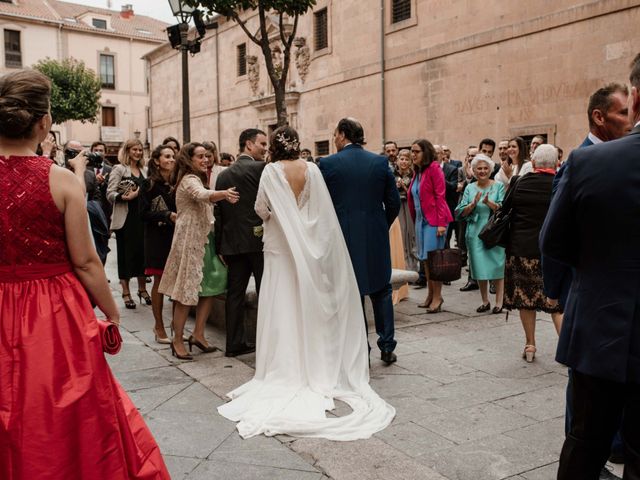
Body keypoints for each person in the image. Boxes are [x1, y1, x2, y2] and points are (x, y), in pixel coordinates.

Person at [0, 68, 169, 480]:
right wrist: (111, 314)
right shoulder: (59, 180)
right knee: (70, 410)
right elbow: (87, 262)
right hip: (53, 313)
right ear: (43, 123)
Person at [217, 126, 395, 440]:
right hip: (306, 244)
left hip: (280, 248)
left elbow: (261, 208)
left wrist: (276, 216)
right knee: (305, 301)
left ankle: (286, 366)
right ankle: (316, 363)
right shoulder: (312, 168)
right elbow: (317, 208)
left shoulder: (271, 171)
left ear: (273, 145)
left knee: (282, 305)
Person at [540, 53, 640, 480]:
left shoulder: (590, 163)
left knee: (585, 443)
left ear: (636, 98)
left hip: (602, 328)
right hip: (604, 330)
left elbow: (553, 242)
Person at [320, 118, 400, 365]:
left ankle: (360, 348)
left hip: (342, 235)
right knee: (381, 289)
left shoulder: (327, 163)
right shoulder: (379, 162)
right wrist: (380, 224)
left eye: (335, 134)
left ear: (343, 134)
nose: (334, 139)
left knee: (350, 293)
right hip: (375, 232)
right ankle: (387, 346)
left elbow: (322, 204)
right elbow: (394, 202)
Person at [159, 143, 239, 360]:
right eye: (201, 156)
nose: (206, 159)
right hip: (191, 243)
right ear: (189, 159)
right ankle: (177, 341)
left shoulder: (197, 177)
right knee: (186, 292)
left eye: (208, 156)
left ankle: (198, 334)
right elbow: (202, 194)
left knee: (213, 284)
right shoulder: (189, 180)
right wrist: (223, 193)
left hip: (206, 239)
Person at [501, 145, 562, 362]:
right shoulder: (561, 184)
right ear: (556, 164)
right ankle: (565, 349)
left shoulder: (519, 183)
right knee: (557, 302)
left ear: (533, 164)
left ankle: (530, 345)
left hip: (521, 250)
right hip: (554, 252)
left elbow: (504, 209)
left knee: (526, 299)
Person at [215, 129, 267, 357]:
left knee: (235, 295)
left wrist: (220, 246)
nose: (265, 149)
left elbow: (219, 215)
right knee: (267, 291)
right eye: (262, 144)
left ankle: (233, 344)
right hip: (259, 243)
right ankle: (268, 341)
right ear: (248, 144)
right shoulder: (260, 169)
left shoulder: (222, 175)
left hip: (233, 243)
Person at [455, 154, 505, 313]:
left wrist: (488, 203)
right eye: (479, 169)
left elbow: (503, 209)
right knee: (478, 267)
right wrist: (472, 204)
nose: (482, 171)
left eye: (485, 168)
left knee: (497, 266)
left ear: (490, 169)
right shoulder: (469, 187)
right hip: (475, 230)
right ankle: (485, 301)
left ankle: (499, 302)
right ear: (474, 171)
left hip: (494, 231)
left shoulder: (498, 186)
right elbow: (460, 211)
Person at [407, 139, 453, 313]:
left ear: (425, 153)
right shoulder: (418, 171)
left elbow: (440, 196)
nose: (413, 155)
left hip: (435, 221)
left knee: (434, 261)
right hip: (421, 220)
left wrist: (442, 224)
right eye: (412, 151)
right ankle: (430, 294)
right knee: (425, 260)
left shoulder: (434, 168)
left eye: (416, 151)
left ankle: (438, 297)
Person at [106, 138, 150, 309]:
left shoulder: (145, 170)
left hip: (142, 218)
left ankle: (142, 289)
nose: (138, 153)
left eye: (140, 150)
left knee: (142, 255)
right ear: (127, 151)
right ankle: (125, 292)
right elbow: (110, 193)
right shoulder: (119, 169)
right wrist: (123, 197)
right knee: (125, 256)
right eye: (135, 150)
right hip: (126, 218)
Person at [140, 145, 177, 344]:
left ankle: (176, 328)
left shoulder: (178, 182)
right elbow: (142, 214)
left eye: (173, 156)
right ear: (156, 161)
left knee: (176, 284)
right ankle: (159, 326)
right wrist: (166, 215)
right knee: (159, 283)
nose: (172, 159)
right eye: (167, 156)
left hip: (176, 237)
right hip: (157, 238)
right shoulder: (148, 185)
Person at [394, 149, 418, 272]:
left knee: (412, 233)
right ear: (397, 160)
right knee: (401, 233)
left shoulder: (413, 174)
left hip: (410, 205)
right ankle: (403, 265)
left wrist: (403, 186)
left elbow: (414, 191)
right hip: (398, 205)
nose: (403, 162)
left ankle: (414, 266)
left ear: (410, 162)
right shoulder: (393, 173)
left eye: (406, 159)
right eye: (401, 159)